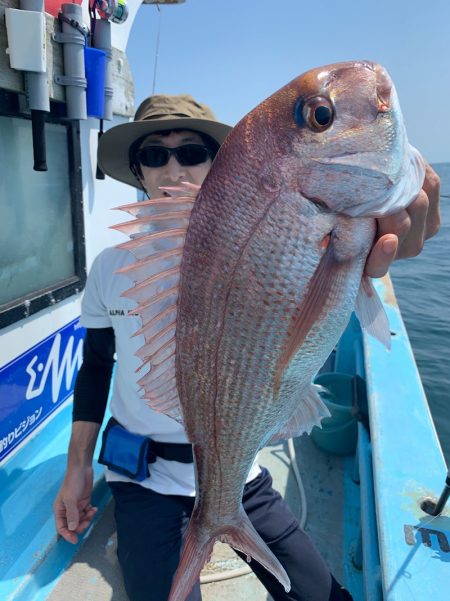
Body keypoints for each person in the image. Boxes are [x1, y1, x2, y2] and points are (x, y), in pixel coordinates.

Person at [53, 93, 440, 601]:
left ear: (219, 165)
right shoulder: (108, 268)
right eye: (154, 155)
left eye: (192, 152)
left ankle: (222, 514)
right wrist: (77, 466)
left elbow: (333, 273)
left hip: (239, 469)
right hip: (143, 480)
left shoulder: (272, 242)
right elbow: (96, 367)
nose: (174, 168)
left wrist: (390, 200)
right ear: (137, 170)